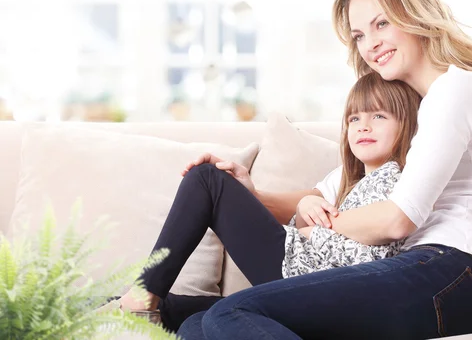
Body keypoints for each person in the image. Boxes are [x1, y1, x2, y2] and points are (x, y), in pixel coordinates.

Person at [175, 0, 472, 339]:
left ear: (416, 16)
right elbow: (327, 196)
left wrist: (316, 228)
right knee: (198, 326)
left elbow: (397, 220)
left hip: (453, 274)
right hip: (423, 273)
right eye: (359, 35)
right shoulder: (411, 113)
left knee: (231, 311)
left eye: (382, 24)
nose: (370, 43)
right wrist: (254, 196)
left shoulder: (456, 90)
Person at [114, 73, 421, 331]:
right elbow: (306, 219)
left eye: (378, 116)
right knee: (193, 322)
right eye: (355, 118)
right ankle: (130, 307)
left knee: (206, 178)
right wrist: (301, 210)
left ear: (406, 125)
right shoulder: (348, 181)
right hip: (298, 270)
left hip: (310, 280)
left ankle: (140, 299)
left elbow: (374, 262)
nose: (363, 126)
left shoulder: (395, 180)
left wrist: (311, 232)